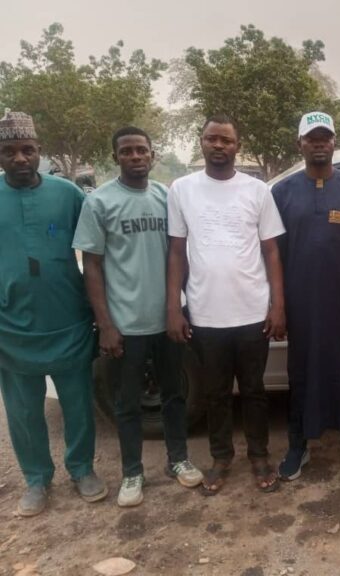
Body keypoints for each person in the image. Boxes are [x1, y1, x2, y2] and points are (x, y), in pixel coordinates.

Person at [73, 126, 203, 507]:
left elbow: (181, 255)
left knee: (175, 395)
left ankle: (178, 460)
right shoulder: (99, 202)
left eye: (141, 150)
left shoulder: (166, 197)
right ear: (115, 157)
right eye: (127, 151)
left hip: (168, 320)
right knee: (126, 404)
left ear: (152, 154)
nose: (135, 156)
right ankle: (132, 472)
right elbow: (92, 266)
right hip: (125, 326)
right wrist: (105, 325)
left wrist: (181, 308)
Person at [166, 114, 286, 495]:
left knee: (254, 391)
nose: (219, 145)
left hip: (252, 312)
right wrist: (174, 307)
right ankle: (221, 458)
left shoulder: (257, 191)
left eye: (226, 140)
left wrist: (278, 305)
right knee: (216, 393)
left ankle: (259, 455)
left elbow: (271, 251)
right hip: (205, 313)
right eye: (212, 139)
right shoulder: (181, 190)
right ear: (201, 142)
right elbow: (176, 252)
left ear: (238, 146)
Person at [0, 110, 107, 516]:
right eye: (9, 151)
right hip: (11, 326)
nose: (20, 158)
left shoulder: (68, 195)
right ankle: (36, 479)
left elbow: (95, 250)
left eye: (27, 150)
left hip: (68, 320)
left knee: (78, 404)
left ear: (39, 151)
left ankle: (82, 469)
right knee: (24, 411)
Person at [272, 111, 340, 481]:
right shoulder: (281, 193)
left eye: (325, 137)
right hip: (300, 306)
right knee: (299, 375)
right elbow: (274, 255)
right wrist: (278, 306)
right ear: (299, 144)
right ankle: (297, 446)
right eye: (311, 138)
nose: (319, 144)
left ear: (334, 142)